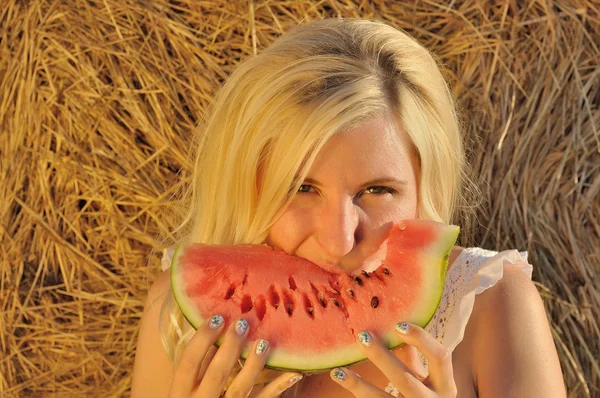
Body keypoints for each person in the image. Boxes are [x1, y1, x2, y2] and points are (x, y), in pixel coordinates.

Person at [130, 18, 566, 397]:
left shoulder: (492, 305)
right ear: (248, 185)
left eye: (376, 190)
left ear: (422, 185)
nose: (340, 239)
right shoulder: (177, 320)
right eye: (301, 187)